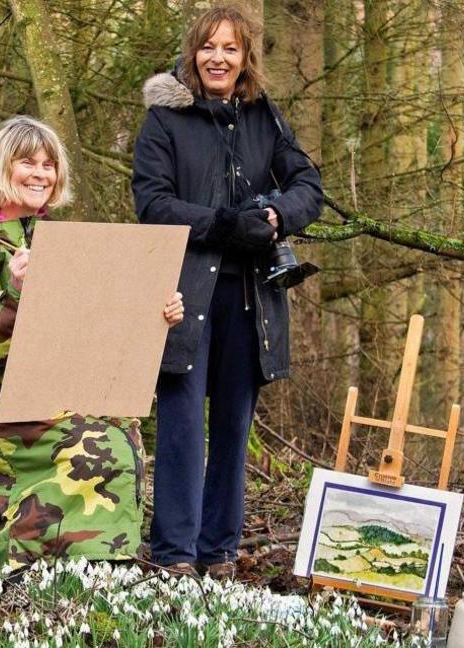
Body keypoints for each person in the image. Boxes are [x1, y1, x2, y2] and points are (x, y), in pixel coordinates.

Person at [0, 116, 185, 572]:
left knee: (122, 429)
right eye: (26, 162)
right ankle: (47, 561)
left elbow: (90, 327)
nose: (40, 173)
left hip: (45, 392)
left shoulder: (48, 238)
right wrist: (11, 293)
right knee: (96, 442)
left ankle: (94, 562)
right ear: (0, 169)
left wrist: (154, 315)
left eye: (49, 165)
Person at [131, 6, 323, 578]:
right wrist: (222, 224)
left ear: (246, 59)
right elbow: (153, 203)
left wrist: (273, 216)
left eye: (231, 49)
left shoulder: (265, 116)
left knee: (234, 423)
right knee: (183, 422)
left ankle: (218, 552)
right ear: (193, 54)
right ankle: (174, 554)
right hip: (183, 291)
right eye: (208, 47)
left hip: (251, 295)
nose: (219, 58)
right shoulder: (165, 120)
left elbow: (308, 184)